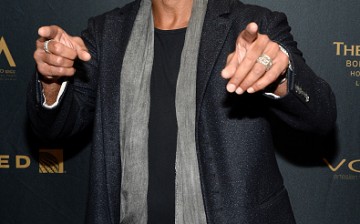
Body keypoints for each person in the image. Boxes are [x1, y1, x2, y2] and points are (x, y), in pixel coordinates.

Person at [27, 0, 336, 223]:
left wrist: (279, 76)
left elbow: (321, 115)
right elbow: (54, 128)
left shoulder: (253, 24)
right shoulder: (105, 32)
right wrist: (51, 80)